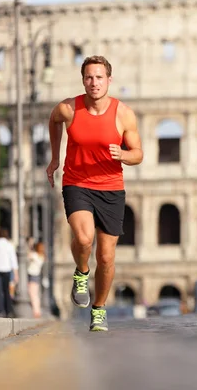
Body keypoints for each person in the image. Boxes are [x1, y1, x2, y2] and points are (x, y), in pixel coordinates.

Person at [46, 55, 144, 331]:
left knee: (106, 257)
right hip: (77, 182)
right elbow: (53, 120)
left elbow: (139, 154)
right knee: (83, 237)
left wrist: (123, 154)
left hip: (111, 188)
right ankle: (81, 272)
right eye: (89, 77)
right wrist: (56, 158)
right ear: (83, 80)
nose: (94, 82)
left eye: (99, 77)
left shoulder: (123, 114)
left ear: (109, 80)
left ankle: (99, 308)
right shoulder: (69, 109)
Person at [27, 241, 46, 318]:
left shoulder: (34, 255)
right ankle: (37, 310)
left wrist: (30, 246)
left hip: (32, 275)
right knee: (35, 294)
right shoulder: (42, 256)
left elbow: (28, 255)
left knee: (32, 294)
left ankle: (36, 311)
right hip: (37, 276)